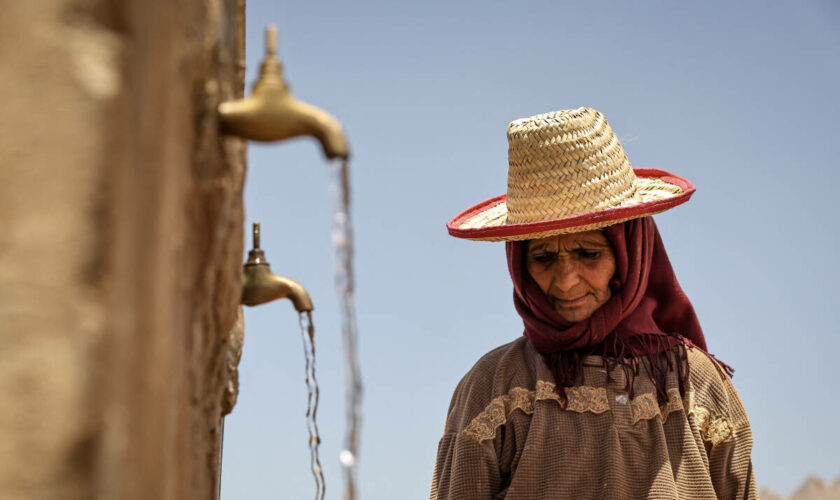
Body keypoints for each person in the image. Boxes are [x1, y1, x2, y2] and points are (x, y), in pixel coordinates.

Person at [432, 108, 757, 499]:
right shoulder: (497, 384)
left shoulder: (696, 385)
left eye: (588, 253)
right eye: (544, 258)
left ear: (630, 254)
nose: (566, 280)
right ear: (519, 264)